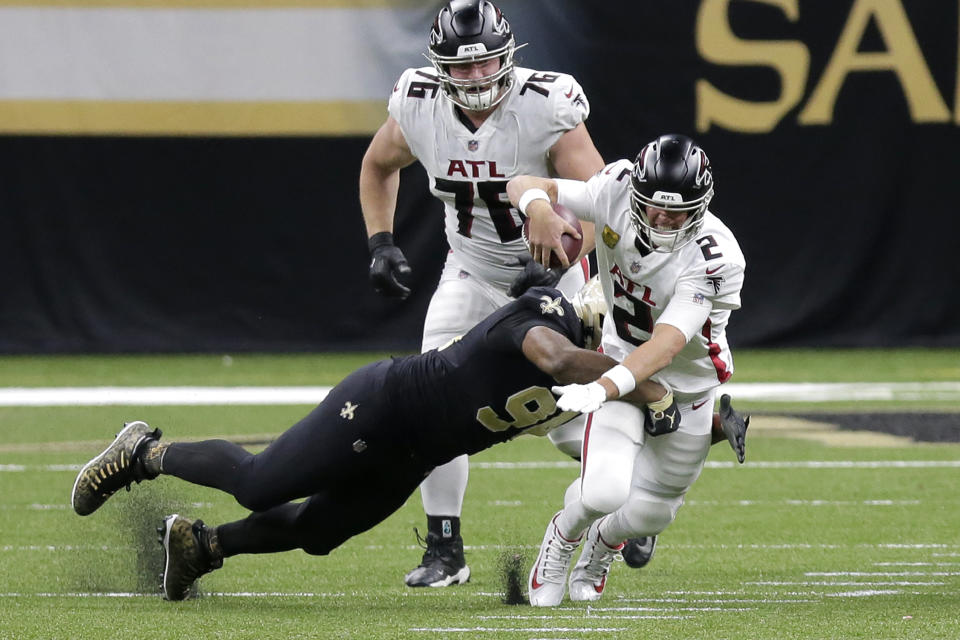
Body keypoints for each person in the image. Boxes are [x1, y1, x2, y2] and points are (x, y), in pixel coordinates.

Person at [68, 281, 681, 601]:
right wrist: (639, 387)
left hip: (415, 454)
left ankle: (203, 547)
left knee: (318, 534)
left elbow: (603, 449)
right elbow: (555, 357)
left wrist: (696, 419)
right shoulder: (551, 313)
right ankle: (142, 452)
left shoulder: (601, 383)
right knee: (259, 485)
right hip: (385, 406)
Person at [359, 0, 610, 587]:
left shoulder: (546, 104)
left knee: (569, 420)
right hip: (471, 271)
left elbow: (597, 201)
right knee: (428, 399)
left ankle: (626, 504)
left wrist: (558, 269)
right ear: (438, 64)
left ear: (507, 57)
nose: (473, 78)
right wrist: (380, 240)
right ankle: (445, 550)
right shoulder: (418, 103)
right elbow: (377, 164)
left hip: (555, 275)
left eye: (483, 65)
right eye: (460, 67)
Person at [507, 133, 748, 606]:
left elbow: (668, 343)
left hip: (687, 386)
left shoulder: (717, 256)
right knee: (602, 491)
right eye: (654, 207)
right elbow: (526, 183)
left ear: (700, 206)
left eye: (676, 212)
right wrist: (538, 208)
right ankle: (562, 537)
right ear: (636, 192)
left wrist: (600, 388)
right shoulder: (615, 187)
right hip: (620, 360)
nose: (662, 219)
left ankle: (602, 544)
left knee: (651, 515)